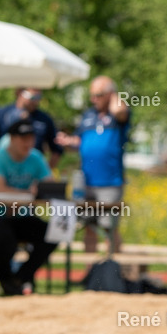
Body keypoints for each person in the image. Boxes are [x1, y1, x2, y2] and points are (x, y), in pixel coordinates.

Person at [56, 76, 131, 253]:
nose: (93, 99)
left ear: (110, 94)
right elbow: (79, 140)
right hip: (86, 182)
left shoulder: (117, 114)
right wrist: (68, 141)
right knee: (88, 227)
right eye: (92, 95)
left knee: (109, 228)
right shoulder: (88, 115)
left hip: (110, 182)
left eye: (98, 95)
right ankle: (90, 268)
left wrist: (114, 96)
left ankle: (112, 267)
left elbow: (120, 111)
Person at [0, 120, 57, 296]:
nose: (28, 143)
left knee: (53, 234)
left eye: (31, 138)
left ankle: (21, 277)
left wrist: (38, 191)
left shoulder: (36, 157)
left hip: (21, 217)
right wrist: (29, 194)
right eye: (23, 138)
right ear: (12, 139)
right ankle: (7, 282)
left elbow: (50, 186)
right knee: (5, 240)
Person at [0, 88, 63, 169]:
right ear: (19, 93)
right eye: (32, 97)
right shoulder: (1, 114)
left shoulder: (44, 119)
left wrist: (44, 171)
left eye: (38, 97)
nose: (36, 101)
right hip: (5, 169)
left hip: (31, 172)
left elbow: (56, 148)